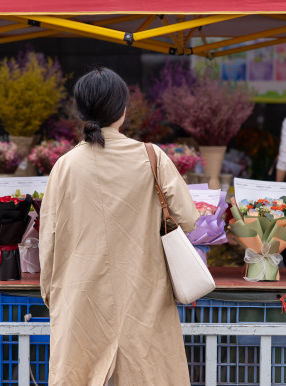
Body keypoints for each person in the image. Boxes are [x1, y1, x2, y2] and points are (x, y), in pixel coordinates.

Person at [39, 67, 199, 385]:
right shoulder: (151, 157)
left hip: (81, 299)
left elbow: (48, 240)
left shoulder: (65, 166)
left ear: (81, 111)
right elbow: (190, 219)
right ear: (122, 109)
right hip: (144, 298)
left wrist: (52, 294)